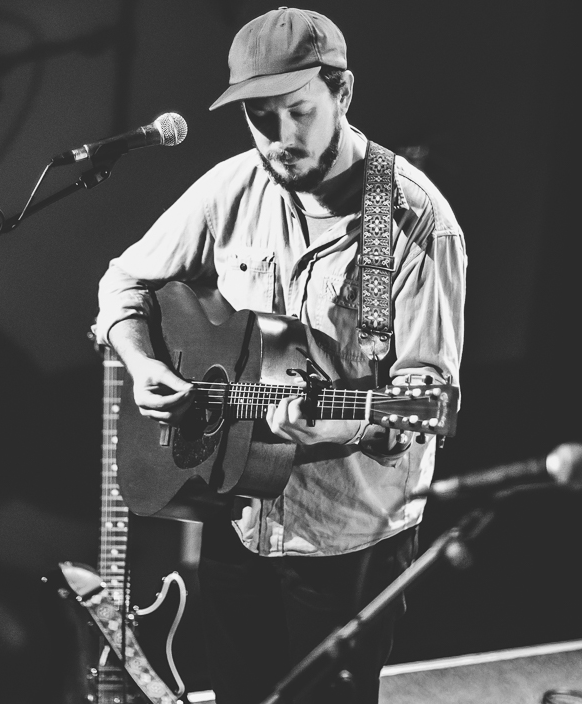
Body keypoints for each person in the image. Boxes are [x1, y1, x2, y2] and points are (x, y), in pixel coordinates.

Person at [94, 7, 466, 704]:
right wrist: (145, 366)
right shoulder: (229, 188)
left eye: (298, 112)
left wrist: (338, 422)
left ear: (343, 93)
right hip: (235, 515)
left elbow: (423, 399)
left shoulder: (415, 224)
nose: (281, 138)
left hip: (349, 541)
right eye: (261, 118)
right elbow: (124, 279)